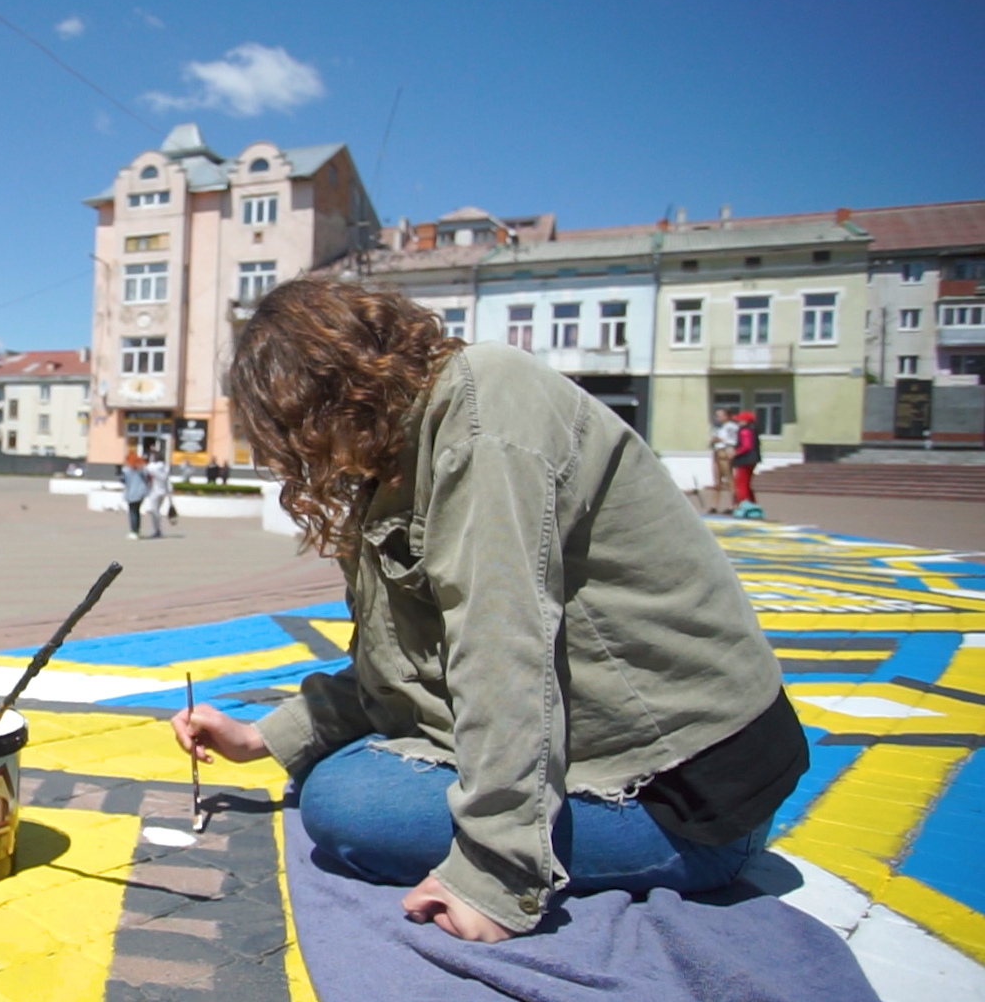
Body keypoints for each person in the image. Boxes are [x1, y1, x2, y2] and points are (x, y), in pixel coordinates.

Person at [171, 278, 805, 945]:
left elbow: (502, 645)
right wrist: (263, 737)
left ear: (331, 394)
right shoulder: (402, 454)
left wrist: (496, 874)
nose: (309, 460)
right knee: (336, 773)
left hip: (690, 799)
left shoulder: (484, 411)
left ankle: (525, 847)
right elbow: (400, 668)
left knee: (343, 800)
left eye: (297, 430)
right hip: (629, 764)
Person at [709, 407, 739, 513]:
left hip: (725, 452)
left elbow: (732, 440)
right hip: (716, 452)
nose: (717, 418)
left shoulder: (731, 427)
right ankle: (714, 505)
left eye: (719, 415)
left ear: (726, 416)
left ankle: (733, 505)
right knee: (716, 482)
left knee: (729, 480)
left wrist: (720, 439)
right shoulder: (717, 427)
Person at [732, 411, 761, 516]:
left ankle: (744, 505)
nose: (738, 422)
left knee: (741, 483)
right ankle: (753, 504)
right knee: (747, 483)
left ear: (745, 421)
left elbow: (746, 446)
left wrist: (735, 452)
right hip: (752, 459)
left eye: (739, 420)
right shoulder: (753, 430)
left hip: (745, 460)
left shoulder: (745, 431)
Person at [121, 454, 150, 540]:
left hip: (132, 493)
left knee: (133, 512)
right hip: (141, 492)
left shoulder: (126, 470)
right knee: (137, 511)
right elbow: (148, 478)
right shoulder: (142, 469)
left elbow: (123, 480)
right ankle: (137, 530)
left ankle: (134, 532)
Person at [144, 451, 170, 538]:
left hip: (154, 492)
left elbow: (146, 471)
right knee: (157, 510)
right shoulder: (166, 467)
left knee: (154, 512)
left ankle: (157, 530)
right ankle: (158, 529)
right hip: (163, 492)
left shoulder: (152, 467)